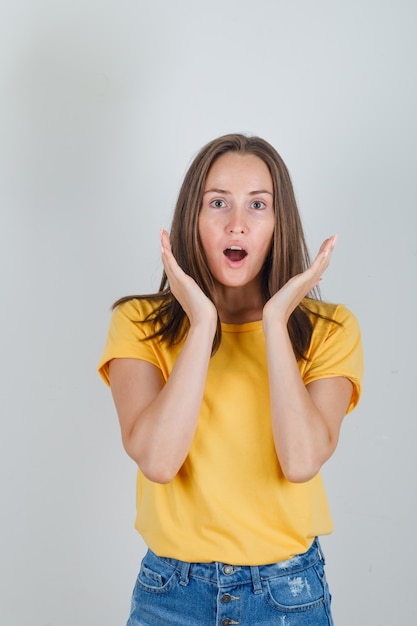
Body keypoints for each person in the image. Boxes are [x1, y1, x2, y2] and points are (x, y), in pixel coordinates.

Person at [98, 133, 363, 626]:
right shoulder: (138, 323)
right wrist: (201, 322)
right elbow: (157, 460)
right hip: (169, 596)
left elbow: (301, 460)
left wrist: (277, 318)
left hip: (288, 595)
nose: (237, 224)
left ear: (279, 223)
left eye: (258, 205)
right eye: (217, 203)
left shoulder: (330, 330)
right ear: (191, 219)